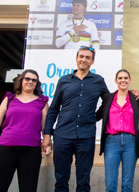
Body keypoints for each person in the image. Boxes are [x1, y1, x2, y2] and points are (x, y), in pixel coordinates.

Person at [42, 46, 109, 191]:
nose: (83, 60)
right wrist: (47, 135)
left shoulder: (98, 81)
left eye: (87, 57)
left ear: (92, 61)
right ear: (76, 59)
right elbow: (53, 109)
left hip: (86, 136)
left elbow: (109, 102)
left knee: (83, 180)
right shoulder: (64, 80)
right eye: (81, 56)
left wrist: (95, 117)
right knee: (61, 179)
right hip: (62, 135)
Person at [0, 69, 49, 192]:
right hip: (5, 148)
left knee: (28, 188)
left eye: (34, 80)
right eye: (27, 79)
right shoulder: (9, 99)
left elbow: (45, 126)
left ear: (37, 84)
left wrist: (48, 143)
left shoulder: (42, 102)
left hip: (31, 151)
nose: (30, 82)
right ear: (21, 81)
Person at [96, 69, 139, 192]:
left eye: (125, 78)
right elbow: (97, 115)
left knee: (127, 184)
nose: (123, 80)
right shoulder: (108, 98)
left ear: (129, 80)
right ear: (115, 80)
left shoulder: (135, 98)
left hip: (131, 143)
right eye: (120, 78)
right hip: (111, 142)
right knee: (110, 184)